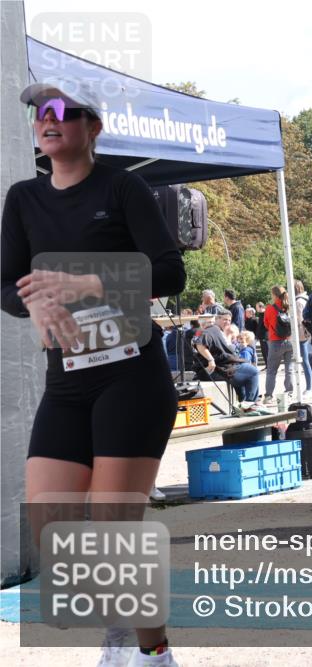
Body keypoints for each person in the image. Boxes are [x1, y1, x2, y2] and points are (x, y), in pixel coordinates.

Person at [2, 80, 184, 666]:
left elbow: (170, 272)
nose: (48, 119)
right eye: (40, 113)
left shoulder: (123, 187)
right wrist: (33, 302)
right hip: (68, 382)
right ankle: (121, 637)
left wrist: (89, 283)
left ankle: (150, 652)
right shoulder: (22, 199)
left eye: (63, 111)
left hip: (130, 375)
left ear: (93, 126)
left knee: (113, 525)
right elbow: (6, 283)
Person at [193, 313, 260, 405]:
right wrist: (211, 360)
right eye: (225, 319)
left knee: (247, 372)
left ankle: (245, 402)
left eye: (229, 320)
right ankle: (249, 404)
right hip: (220, 368)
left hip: (226, 365)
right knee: (253, 371)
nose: (227, 322)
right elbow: (200, 344)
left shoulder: (217, 331)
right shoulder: (210, 330)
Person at [262, 285, 294, 404]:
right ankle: (289, 393)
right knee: (289, 369)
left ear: (274, 295)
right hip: (289, 341)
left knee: (271, 371)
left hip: (275, 342)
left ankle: (269, 396)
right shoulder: (289, 307)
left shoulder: (270, 308)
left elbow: (266, 324)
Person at [293, 279, 312, 395]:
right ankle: (308, 386)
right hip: (306, 333)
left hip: (301, 334)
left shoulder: (298, 302)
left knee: (305, 361)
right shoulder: (306, 299)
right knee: (305, 360)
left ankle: (309, 387)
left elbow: (300, 319)